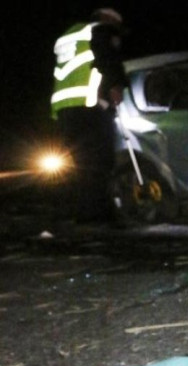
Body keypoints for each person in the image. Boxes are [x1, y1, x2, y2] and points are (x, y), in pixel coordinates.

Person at [50, 8, 127, 222]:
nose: (117, 30)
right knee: (101, 163)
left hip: (65, 108)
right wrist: (116, 85)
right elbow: (107, 59)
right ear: (107, 19)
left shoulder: (71, 34)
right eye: (116, 24)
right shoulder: (100, 30)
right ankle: (101, 215)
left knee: (81, 166)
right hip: (89, 106)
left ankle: (84, 214)